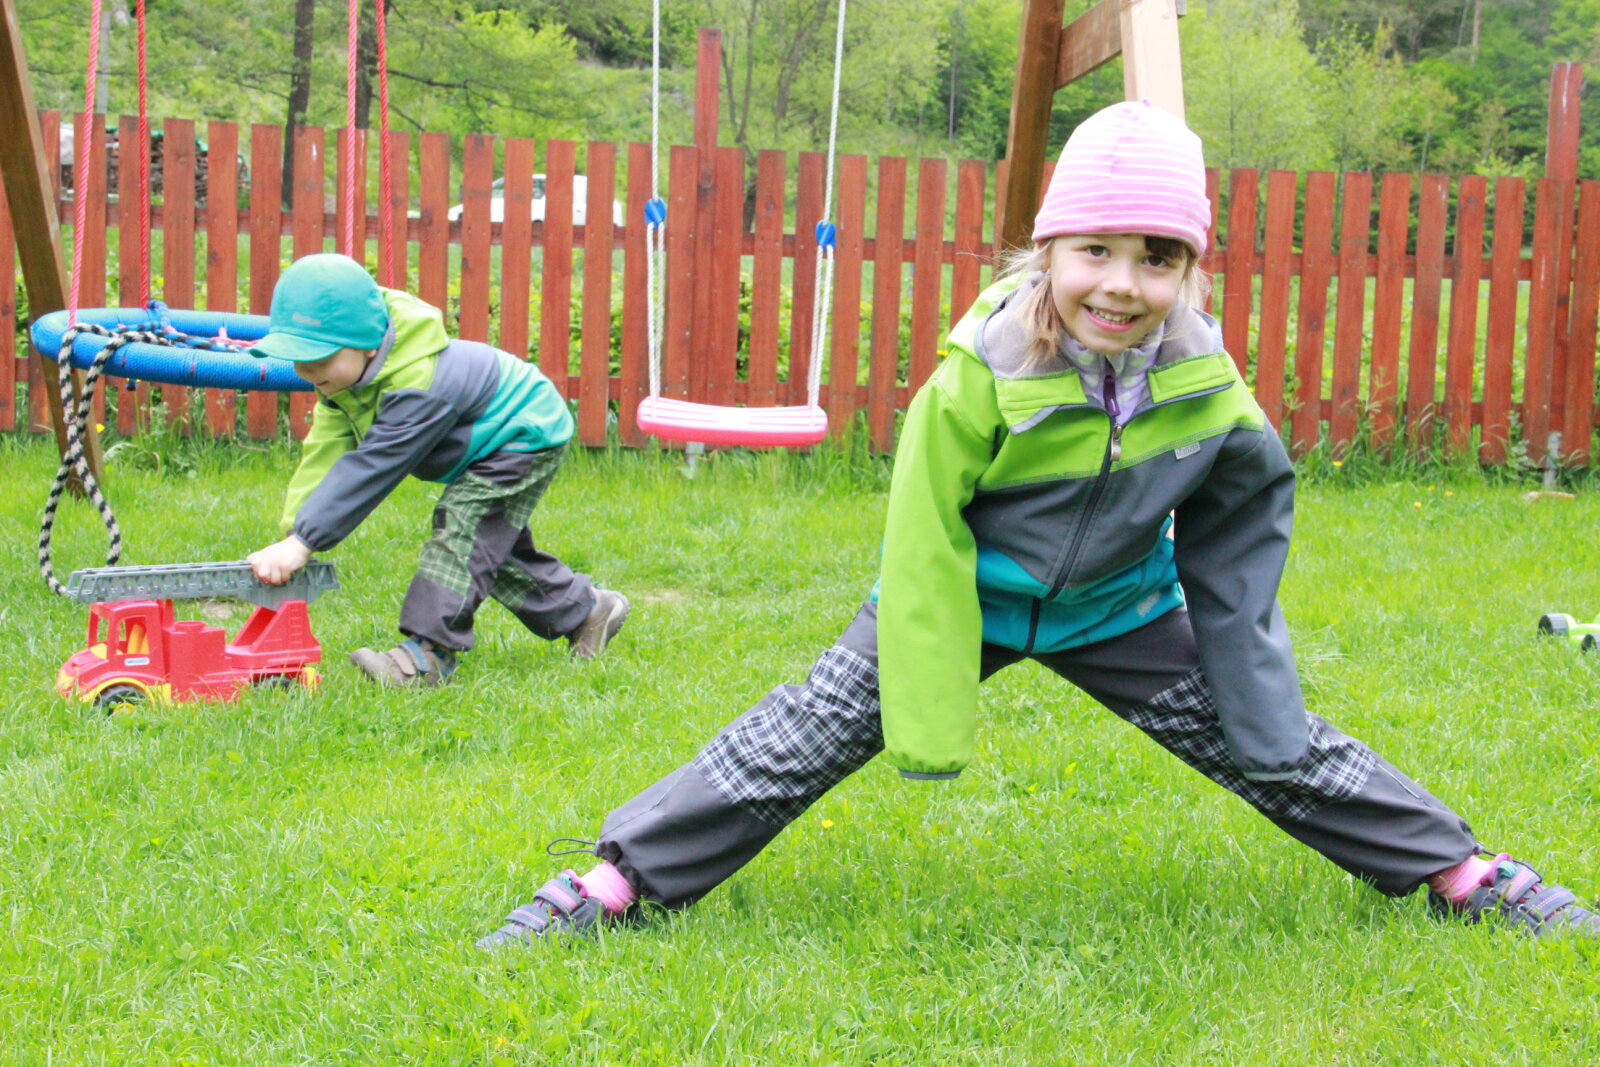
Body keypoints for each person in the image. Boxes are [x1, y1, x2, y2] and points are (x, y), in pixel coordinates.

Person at [477, 102, 1599, 946]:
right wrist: (924, 691)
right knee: (802, 733)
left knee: (1277, 742)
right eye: (1095, 251)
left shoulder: (1203, 382)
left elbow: (1244, 518)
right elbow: (924, 535)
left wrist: (1249, 672)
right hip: (965, 597)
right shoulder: (983, 373)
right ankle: (612, 882)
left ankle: (1463, 873)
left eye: (1156, 259)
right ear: (1047, 252)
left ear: (1187, 271)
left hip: (1117, 607)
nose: (1121, 284)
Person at [247, 253, 629, 685]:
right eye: (298, 357)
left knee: (462, 526)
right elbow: (326, 451)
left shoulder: (417, 385)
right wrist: (295, 531)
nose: (305, 370)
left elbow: (373, 466)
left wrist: (305, 541)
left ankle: (428, 655)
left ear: (368, 344)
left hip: (523, 430)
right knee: (488, 547)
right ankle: (588, 610)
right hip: (491, 440)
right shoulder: (347, 380)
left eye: (320, 356)